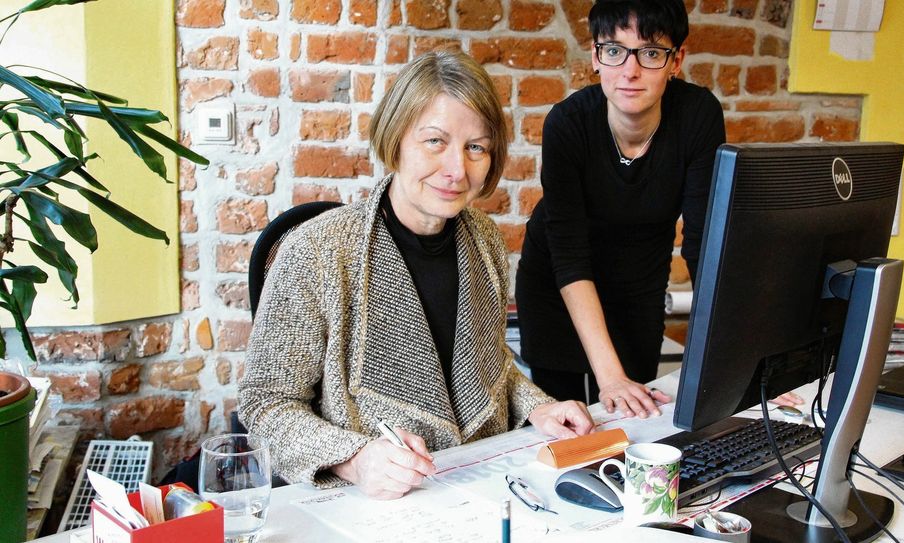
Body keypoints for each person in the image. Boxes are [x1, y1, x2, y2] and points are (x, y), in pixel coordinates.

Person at [238, 51, 594, 500]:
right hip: (372, 503)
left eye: (476, 147)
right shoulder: (318, 250)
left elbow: (485, 368)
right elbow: (265, 405)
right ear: (397, 138)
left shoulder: (483, 238)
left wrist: (539, 408)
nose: (456, 170)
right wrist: (356, 458)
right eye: (435, 142)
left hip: (484, 488)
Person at [516, 0, 719, 417]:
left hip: (639, 287)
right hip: (558, 285)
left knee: (636, 415)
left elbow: (703, 245)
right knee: (570, 420)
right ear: (595, 56)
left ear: (675, 59)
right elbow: (569, 257)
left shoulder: (698, 116)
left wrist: (733, 363)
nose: (630, 71)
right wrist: (609, 376)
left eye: (650, 52)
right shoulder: (567, 125)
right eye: (614, 50)